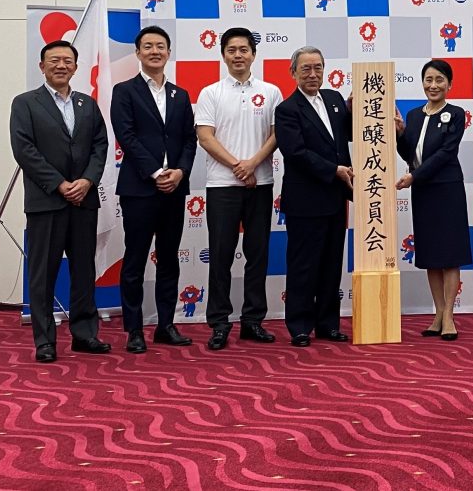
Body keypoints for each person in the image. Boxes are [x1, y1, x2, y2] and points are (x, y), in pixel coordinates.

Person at [10, 40, 109, 363]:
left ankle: (84, 335)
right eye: (54, 60)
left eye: (68, 60)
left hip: (83, 200)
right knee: (43, 274)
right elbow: (25, 151)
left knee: (83, 270)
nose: (61, 65)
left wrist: (87, 181)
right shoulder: (25, 103)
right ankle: (44, 341)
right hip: (46, 202)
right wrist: (59, 184)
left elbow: (100, 146)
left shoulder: (87, 104)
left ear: (76, 67)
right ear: (42, 66)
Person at [111, 25, 197, 354]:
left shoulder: (180, 94)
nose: (154, 51)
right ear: (138, 53)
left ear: (168, 52)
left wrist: (180, 171)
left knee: (169, 260)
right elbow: (127, 136)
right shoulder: (124, 91)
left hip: (174, 189)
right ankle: (134, 330)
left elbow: (189, 139)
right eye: (148, 46)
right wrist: (156, 172)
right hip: (140, 189)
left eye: (160, 46)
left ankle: (166, 325)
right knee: (134, 260)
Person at [195, 27, 282, 351]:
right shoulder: (211, 93)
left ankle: (252, 321)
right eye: (231, 50)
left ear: (253, 54)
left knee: (258, 255)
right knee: (220, 256)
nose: (238, 55)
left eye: (243, 49)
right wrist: (237, 166)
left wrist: (253, 163)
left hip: (260, 185)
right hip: (222, 185)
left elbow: (276, 134)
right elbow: (206, 137)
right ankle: (219, 323)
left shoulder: (271, 91)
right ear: (223, 54)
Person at [275, 46, 353, 347]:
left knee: (332, 264)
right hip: (305, 199)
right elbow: (295, 153)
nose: (313, 74)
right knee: (303, 265)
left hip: (335, 198)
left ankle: (328, 324)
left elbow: (349, 133)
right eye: (305, 68)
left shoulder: (334, 100)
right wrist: (334, 169)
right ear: (293, 72)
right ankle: (299, 326)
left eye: (318, 67)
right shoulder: (286, 109)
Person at [395, 59, 472, 341]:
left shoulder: (456, 113)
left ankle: (450, 315)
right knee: (430, 255)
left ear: (449, 84)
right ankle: (438, 313)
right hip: (423, 192)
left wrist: (414, 177)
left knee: (449, 255)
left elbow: (445, 154)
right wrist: (399, 133)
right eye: (428, 79)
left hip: (446, 188)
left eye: (439, 79)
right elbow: (409, 154)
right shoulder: (414, 115)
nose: (433, 85)